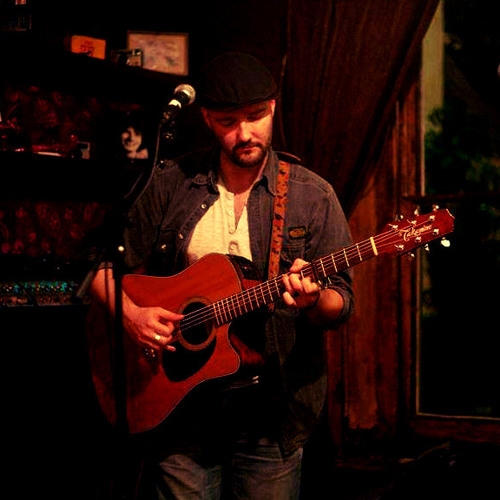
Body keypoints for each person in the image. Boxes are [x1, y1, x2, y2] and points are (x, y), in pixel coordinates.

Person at [89, 51, 354, 499]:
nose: (245, 133)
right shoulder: (170, 183)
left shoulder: (312, 195)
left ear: (273, 109)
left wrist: (314, 301)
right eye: (229, 121)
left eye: (256, 116)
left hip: (271, 414)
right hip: (179, 407)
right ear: (207, 118)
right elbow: (98, 264)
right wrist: (131, 316)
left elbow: (342, 303)